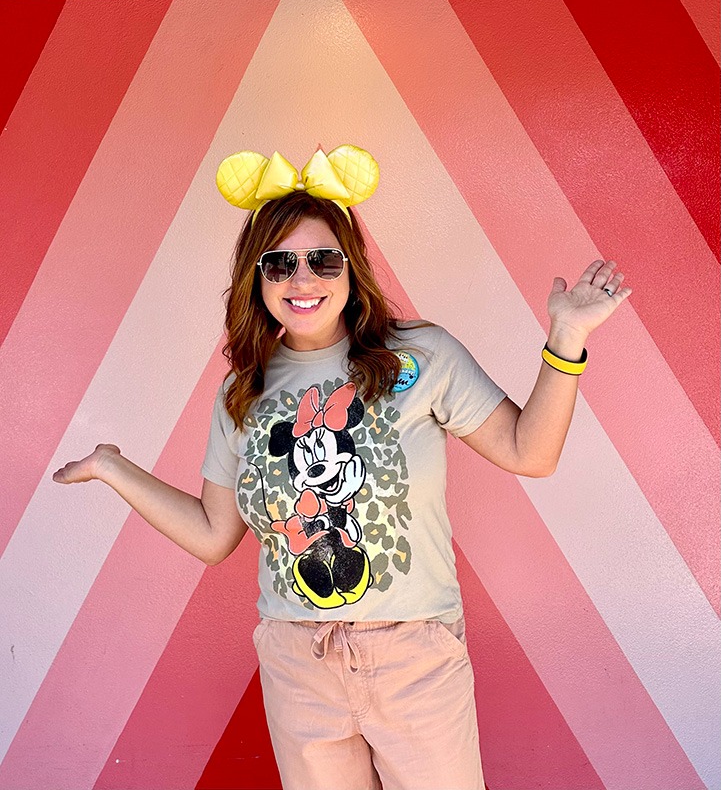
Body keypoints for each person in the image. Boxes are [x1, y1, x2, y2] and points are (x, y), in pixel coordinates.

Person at [53, 145, 631, 790]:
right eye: (281, 264)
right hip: (299, 661)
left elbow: (532, 451)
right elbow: (215, 536)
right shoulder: (242, 391)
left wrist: (567, 337)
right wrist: (113, 468)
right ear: (257, 277)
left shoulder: (420, 355)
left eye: (323, 259)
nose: (303, 279)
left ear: (351, 268)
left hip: (414, 654)